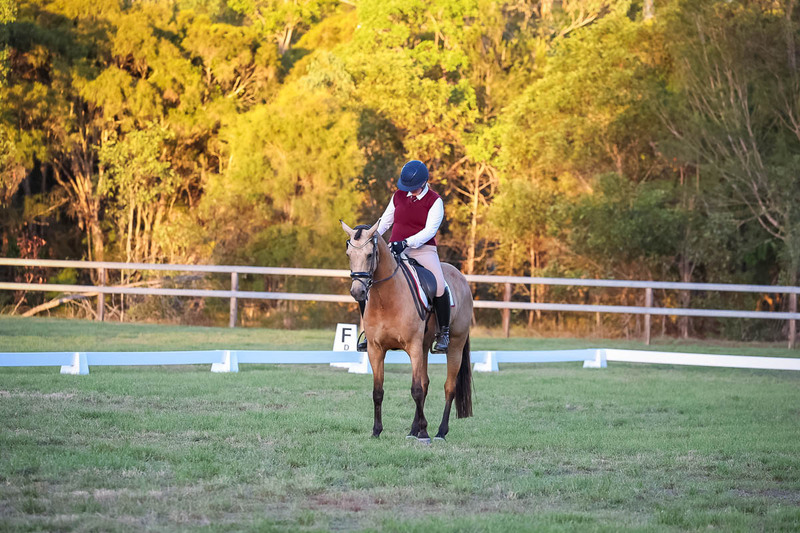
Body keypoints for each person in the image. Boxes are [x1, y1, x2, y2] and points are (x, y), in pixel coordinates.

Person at [357, 160, 450, 354]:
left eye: (414, 187)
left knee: (440, 286)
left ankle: (444, 333)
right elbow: (385, 222)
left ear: (424, 183)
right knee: (367, 280)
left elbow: (430, 230)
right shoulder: (398, 196)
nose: (410, 191)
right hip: (393, 249)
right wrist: (370, 235)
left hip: (423, 250)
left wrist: (407, 242)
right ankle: (369, 331)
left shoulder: (435, 201)